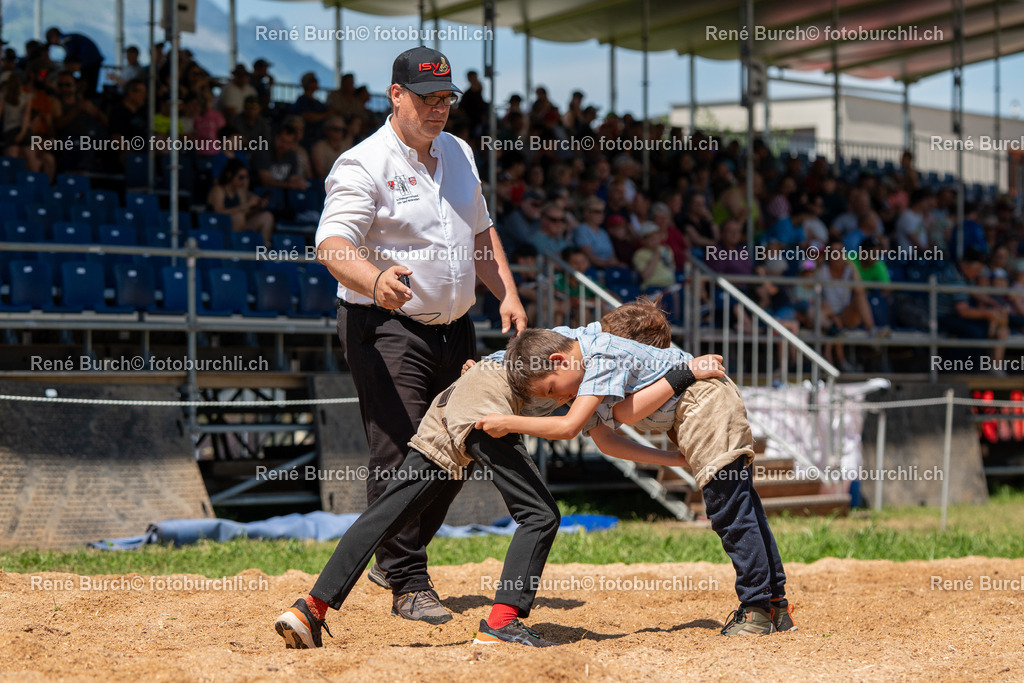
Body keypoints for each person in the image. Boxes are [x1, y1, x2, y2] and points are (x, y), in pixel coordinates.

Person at [273, 300, 711, 649]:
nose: (567, 394)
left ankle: (310, 608)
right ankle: (503, 622)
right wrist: (508, 421)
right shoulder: (601, 356)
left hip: (458, 397)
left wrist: (677, 460)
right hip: (486, 403)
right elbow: (569, 427)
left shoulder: (580, 353)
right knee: (540, 515)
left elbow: (606, 439)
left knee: (388, 511)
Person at [313, 46, 526, 625]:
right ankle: (407, 579)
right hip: (383, 326)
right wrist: (374, 277)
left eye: (446, 98)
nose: (439, 108)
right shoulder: (361, 163)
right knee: (403, 452)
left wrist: (505, 290)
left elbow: (480, 231)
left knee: (461, 445)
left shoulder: (458, 152)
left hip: (456, 326)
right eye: (427, 97)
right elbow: (331, 245)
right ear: (396, 95)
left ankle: (392, 558)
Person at [478, 328, 796, 636]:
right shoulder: (577, 378)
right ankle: (774, 606)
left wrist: (508, 422)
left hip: (704, 400)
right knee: (743, 505)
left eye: (551, 389)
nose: (558, 397)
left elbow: (584, 424)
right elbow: (607, 442)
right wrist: (672, 459)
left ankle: (755, 609)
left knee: (731, 509)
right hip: (696, 406)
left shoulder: (598, 357)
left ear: (560, 360)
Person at [207, 159, 274, 243]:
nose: (244, 181)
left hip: (239, 226)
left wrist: (256, 207)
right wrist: (246, 205)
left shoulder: (240, 191)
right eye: (241, 177)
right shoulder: (218, 189)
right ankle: (236, 246)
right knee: (238, 216)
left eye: (246, 177)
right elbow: (218, 212)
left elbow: (245, 213)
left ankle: (262, 249)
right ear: (229, 175)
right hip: (218, 226)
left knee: (267, 217)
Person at [45, 27, 104, 94]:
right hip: (92, 61)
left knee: (87, 87)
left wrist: (66, 66)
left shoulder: (65, 40)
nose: (54, 45)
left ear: (54, 37)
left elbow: (71, 54)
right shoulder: (70, 38)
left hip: (89, 62)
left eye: (52, 42)